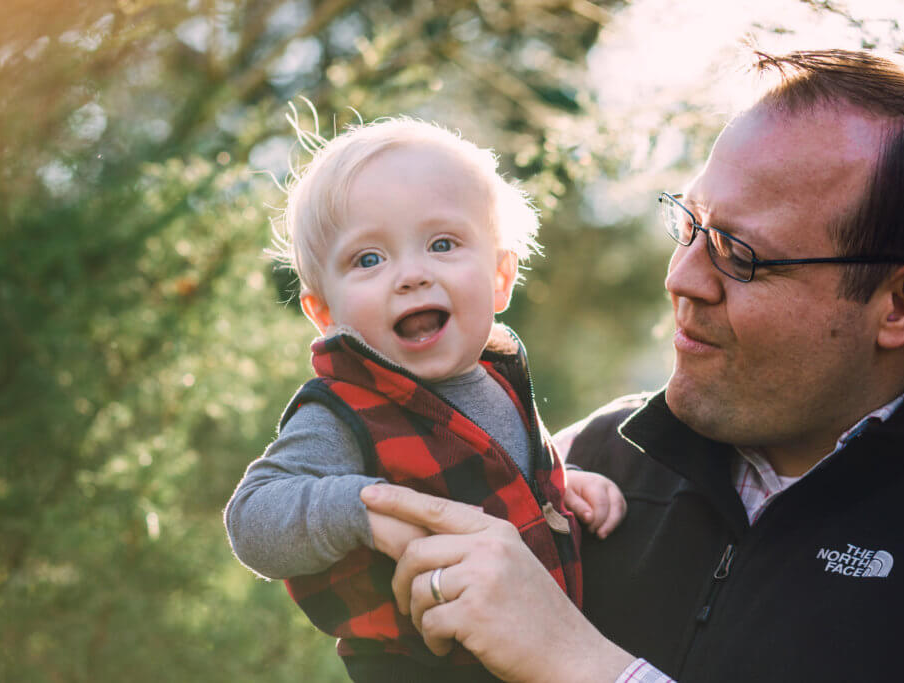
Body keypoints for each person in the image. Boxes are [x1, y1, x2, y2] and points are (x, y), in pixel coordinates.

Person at [358, 49, 904, 683]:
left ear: (903, 305)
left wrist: (572, 659)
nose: (681, 278)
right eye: (690, 224)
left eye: (739, 255)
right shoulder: (589, 459)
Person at [223, 118, 626, 682]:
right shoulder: (343, 412)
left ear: (499, 277)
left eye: (442, 244)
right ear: (325, 313)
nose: (411, 275)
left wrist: (559, 487)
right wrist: (363, 510)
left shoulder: (497, 379)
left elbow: (500, 480)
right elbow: (252, 519)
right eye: (368, 259)